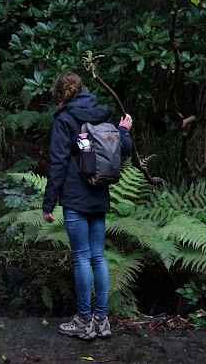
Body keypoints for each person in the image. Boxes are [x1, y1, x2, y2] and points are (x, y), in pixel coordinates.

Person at [42, 71, 133, 340]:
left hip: (75, 197)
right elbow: (122, 148)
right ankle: (101, 320)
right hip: (99, 194)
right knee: (98, 256)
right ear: (82, 88)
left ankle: (83, 321)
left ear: (59, 94)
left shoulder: (64, 118)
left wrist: (48, 203)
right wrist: (124, 129)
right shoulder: (102, 114)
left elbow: (58, 163)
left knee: (81, 257)